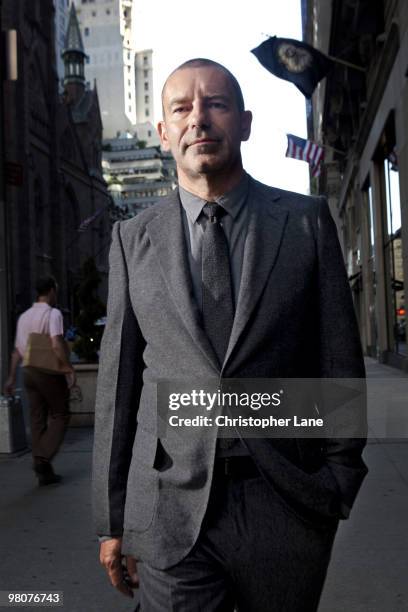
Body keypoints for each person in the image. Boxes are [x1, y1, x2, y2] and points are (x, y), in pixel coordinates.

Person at [93, 58, 368, 611]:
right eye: (181, 109)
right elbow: (119, 387)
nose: (199, 119)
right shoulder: (131, 240)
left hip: (285, 502)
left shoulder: (306, 222)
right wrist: (111, 517)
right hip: (171, 511)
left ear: (244, 122)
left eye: (215, 104)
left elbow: (337, 360)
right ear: (165, 132)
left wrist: (340, 478)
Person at [4, 276, 76, 485]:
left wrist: (10, 378)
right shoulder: (53, 314)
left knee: (37, 418)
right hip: (47, 371)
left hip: (27, 371)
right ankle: (43, 457)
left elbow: (17, 352)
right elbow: (55, 343)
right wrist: (68, 369)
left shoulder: (24, 316)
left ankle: (44, 471)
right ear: (52, 290)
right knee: (61, 413)